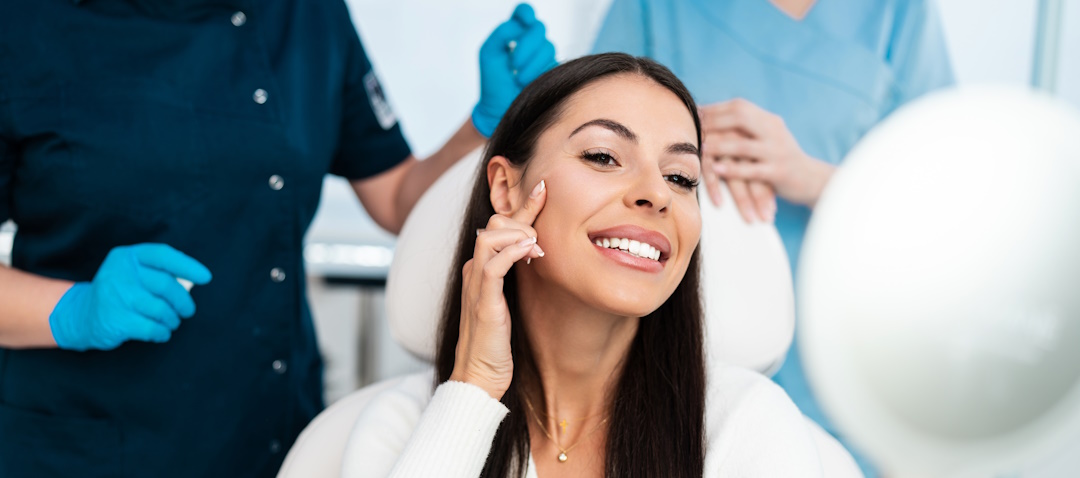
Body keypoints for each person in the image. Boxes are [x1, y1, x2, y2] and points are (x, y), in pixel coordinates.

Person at [0, 1, 555, 476]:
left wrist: (487, 124)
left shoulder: (305, 14)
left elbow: (396, 196)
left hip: (273, 428)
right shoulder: (23, 25)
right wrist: (71, 310)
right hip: (85, 442)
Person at [338, 52, 859, 477]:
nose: (656, 194)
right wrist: (473, 388)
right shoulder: (400, 426)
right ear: (505, 187)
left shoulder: (747, 425)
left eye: (681, 177)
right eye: (603, 157)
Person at [591, 1, 955, 474]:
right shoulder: (657, 9)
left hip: (844, 366)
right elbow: (591, 146)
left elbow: (949, 211)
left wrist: (812, 177)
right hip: (672, 352)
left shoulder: (897, 14)